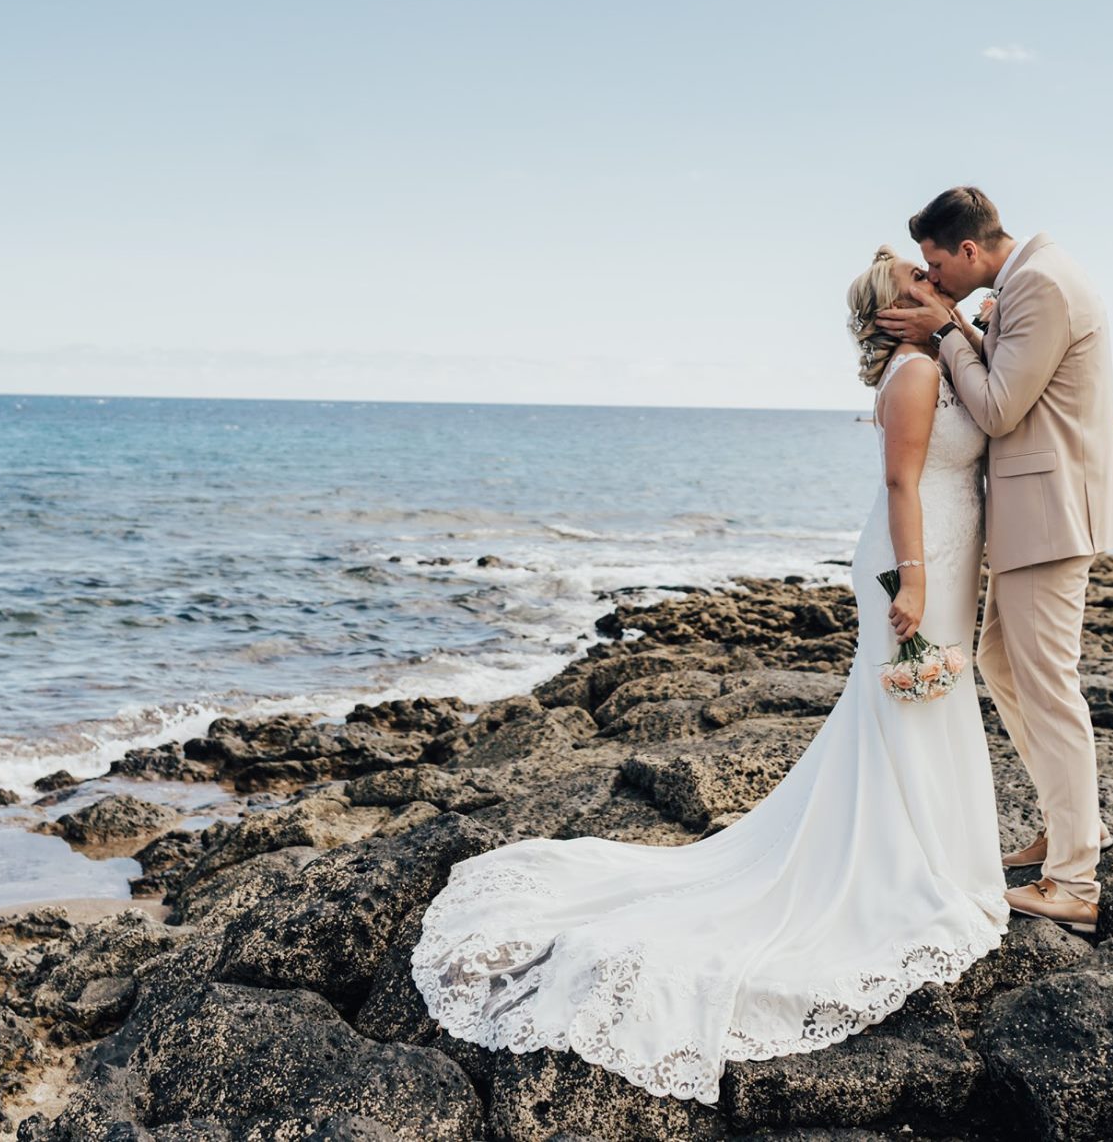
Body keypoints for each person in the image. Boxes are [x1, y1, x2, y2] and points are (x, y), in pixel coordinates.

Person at [408, 246, 1009, 1106]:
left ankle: (933, 851)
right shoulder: (914, 373)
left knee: (922, 710)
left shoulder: (943, 353)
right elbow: (899, 480)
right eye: (913, 284)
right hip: (917, 553)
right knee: (907, 707)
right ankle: (909, 863)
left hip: (944, 550)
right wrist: (912, 579)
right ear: (887, 314)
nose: (929, 285)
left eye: (929, 276)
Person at [876, 185, 1113, 933]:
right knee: (1001, 663)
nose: (933, 281)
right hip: (1041, 512)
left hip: (1050, 515)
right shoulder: (1032, 277)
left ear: (968, 249)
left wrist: (948, 331)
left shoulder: (1043, 284)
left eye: (936, 265)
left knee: (1049, 685)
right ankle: (1070, 823)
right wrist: (963, 325)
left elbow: (996, 408)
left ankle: (1075, 881)